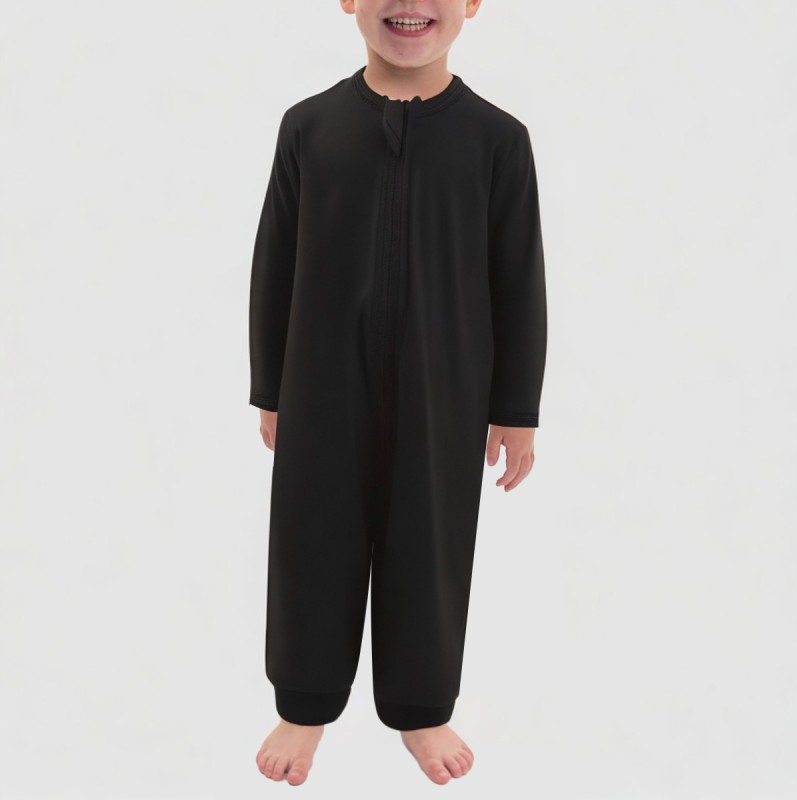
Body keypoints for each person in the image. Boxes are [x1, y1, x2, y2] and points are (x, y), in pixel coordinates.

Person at [250, 0, 547, 786]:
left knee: (429, 542)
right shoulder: (309, 127)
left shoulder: (497, 140)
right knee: (312, 539)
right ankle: (304, 703)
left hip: (445, 389)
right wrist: (271, 386)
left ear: (472, 4)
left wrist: (515, 408)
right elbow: (275, 261)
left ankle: (421, 706)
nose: (410, 4)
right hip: (320, 383)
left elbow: (519, 279)